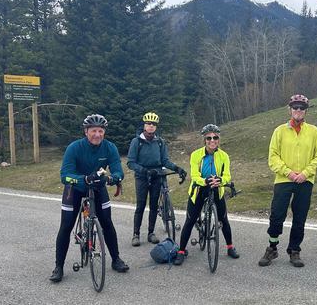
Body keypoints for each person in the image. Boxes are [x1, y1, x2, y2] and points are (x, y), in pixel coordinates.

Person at [49, 114, 129, 283]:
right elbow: (65, 176)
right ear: (86, 132)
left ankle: (116, 259)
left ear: (104, 132)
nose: (97, 134)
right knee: (66, 225)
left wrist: (111, 178)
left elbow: (118, 171)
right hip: (75, 189)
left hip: (98, 187)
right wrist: (83, 179)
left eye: (100, 131)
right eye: (93, 131)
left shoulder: (109, 147)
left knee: (107, 223)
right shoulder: (74, 147)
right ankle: (59, 267)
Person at [259, 94, 317, 268]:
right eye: (295, 107)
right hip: (283, 180)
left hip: (305, 180)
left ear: (306, 111)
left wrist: (305, 173)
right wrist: (288, 173)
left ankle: (294, 250)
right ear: (290, 110)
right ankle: (272, 247)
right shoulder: (279, 131)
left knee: (300, 217)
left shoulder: (313, 131)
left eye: (302, 108)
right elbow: (273, 157)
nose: (298, 111)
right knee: (277, 216)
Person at [173, 124, 239, 265]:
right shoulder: (196, 155)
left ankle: (230, 247)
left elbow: (227, 175)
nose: (212, 140)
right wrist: (205, 181)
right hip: (199, 190)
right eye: (209, 138)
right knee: (190, 221)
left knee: (223, 219)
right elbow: (194, 175)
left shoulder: (224, 156)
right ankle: (181, 251)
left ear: (218, 139)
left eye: (215, 137)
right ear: (204, 140)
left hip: (216, 189)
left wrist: (221, 180)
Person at [127, 112, 187, 246]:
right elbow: (130, 162)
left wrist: (177, 168)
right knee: (141, 205)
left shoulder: (160, 142)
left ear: (156, 127)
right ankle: (136, 234)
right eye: (148, 124)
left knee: (154, 206)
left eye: (153, 124)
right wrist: (144, 170)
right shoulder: (137, 142)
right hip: (142, 177)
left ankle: (150, 233)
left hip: (157, 176)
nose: (151, 126)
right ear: (144, 125)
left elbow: (165, 160)